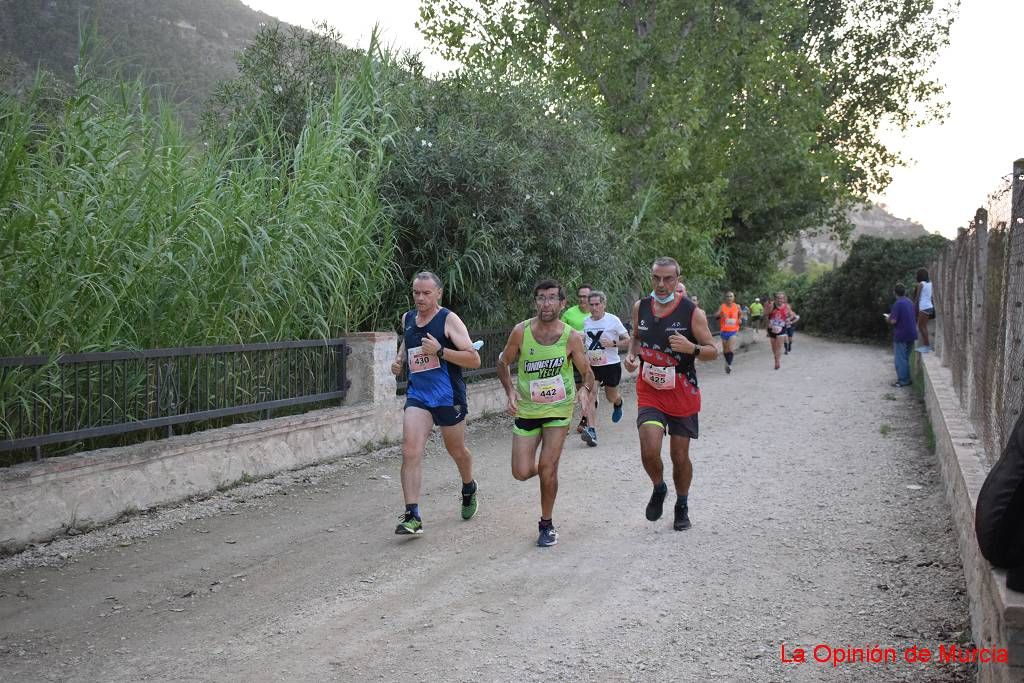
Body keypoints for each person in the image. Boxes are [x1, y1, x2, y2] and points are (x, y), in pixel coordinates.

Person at [497, 278, 595, 547]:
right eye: (541, 298)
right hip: (528, 408)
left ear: (563, 304)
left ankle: (546, 524)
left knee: (548, 468)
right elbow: (502, 361)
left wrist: (585, 390)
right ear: (535, 302)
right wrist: (509, 391)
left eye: (552, 298)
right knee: (521, 471)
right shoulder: (521, 331)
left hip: (558, 408)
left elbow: (587, 372)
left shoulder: (571, 337)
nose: (546, 303)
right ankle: (546, 473)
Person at [623, 257, 718, 531]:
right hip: (650, 389)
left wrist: (692, 348)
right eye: (656, 278)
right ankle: (659, 486)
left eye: (668, 279)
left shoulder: (692, 313)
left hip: (682, 392)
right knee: (649, 448)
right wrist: (631, 355)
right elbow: (636, 336)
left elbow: (713, 350)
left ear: (677, 279)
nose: (661, 284)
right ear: (651, 278)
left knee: (679, 456)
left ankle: (682, 503)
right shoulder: (640, 306)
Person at [390, 272, 482, 536]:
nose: (420, 298)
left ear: (438, 293)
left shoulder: (449, 320)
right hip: (418, 396)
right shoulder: (407, 318)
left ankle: (468, 486)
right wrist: (399, 362)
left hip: (448, 397)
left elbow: (473, 359)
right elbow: (407, 345)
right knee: (410, 451)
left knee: (456, 450)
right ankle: (413, 515)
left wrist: (440, 351)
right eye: (416, 292)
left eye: (426, 293)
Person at [581, 289, 631, 445]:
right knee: (591, 395)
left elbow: (628, 340)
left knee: (611, 397)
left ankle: (618, 403)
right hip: (593, 366)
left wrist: (614, 343)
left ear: (603, 304)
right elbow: (587, 342)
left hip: (610, 364)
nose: (594, 307)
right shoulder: (587, 322)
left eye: (597, 304)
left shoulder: (613, 320)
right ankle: (592, 431)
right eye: (592, 304)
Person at [561, 284, 593, 434]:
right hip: (570, 358)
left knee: (586, 389)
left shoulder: (596, 313)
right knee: (569, 390)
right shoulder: (569, 313)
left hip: (590, 357)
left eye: (585, 296)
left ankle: (585, 420)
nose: (582, 299)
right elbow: (559, 332)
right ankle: (565, 422)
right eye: (580, 296)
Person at [886, 283, 917, 387]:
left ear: (895, 293)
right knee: (906, 358)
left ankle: (903, 381)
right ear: (905, 292)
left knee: (900, 359)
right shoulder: (910, 302)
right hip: (912, 333)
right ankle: (907, 379)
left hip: (901, 334)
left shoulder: (898, 303)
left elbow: (893, 320)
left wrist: (888, 318)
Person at [714, 291, 741, 374]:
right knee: (725, 350)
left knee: (730, 348)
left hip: (733, 330)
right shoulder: (722, 306)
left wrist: (740, 319)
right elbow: (716, 315)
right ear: (725, 298)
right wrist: (719, 314)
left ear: (733, 298)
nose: (729, 298)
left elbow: (740, 314)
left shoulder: (737, 306)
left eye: (731, 296)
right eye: (727, 296)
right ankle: (727, 361)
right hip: (724, 331)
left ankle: (729, 365)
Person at [764, 292, 792, 370]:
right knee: (774, 347)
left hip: (782, 328)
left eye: (781, 298)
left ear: (784, 299)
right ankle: (776, 358)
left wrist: (788, 320)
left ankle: (777, 361)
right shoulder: (771, 306)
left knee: (779, 347)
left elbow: (790, 315)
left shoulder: (787, 307)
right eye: (778, 298)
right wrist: (768, 323)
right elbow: (765, 315)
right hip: (772, 328)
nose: (780, 300)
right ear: (775, 299)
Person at [914, 268, 934, 352]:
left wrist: (914, 305)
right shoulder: (930, 284)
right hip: (929, 306)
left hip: (923, 307)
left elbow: (917, 298)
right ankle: (927, 345)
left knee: (921, 326)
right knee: (923, 326)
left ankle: (927, 346)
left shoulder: (921, 284)